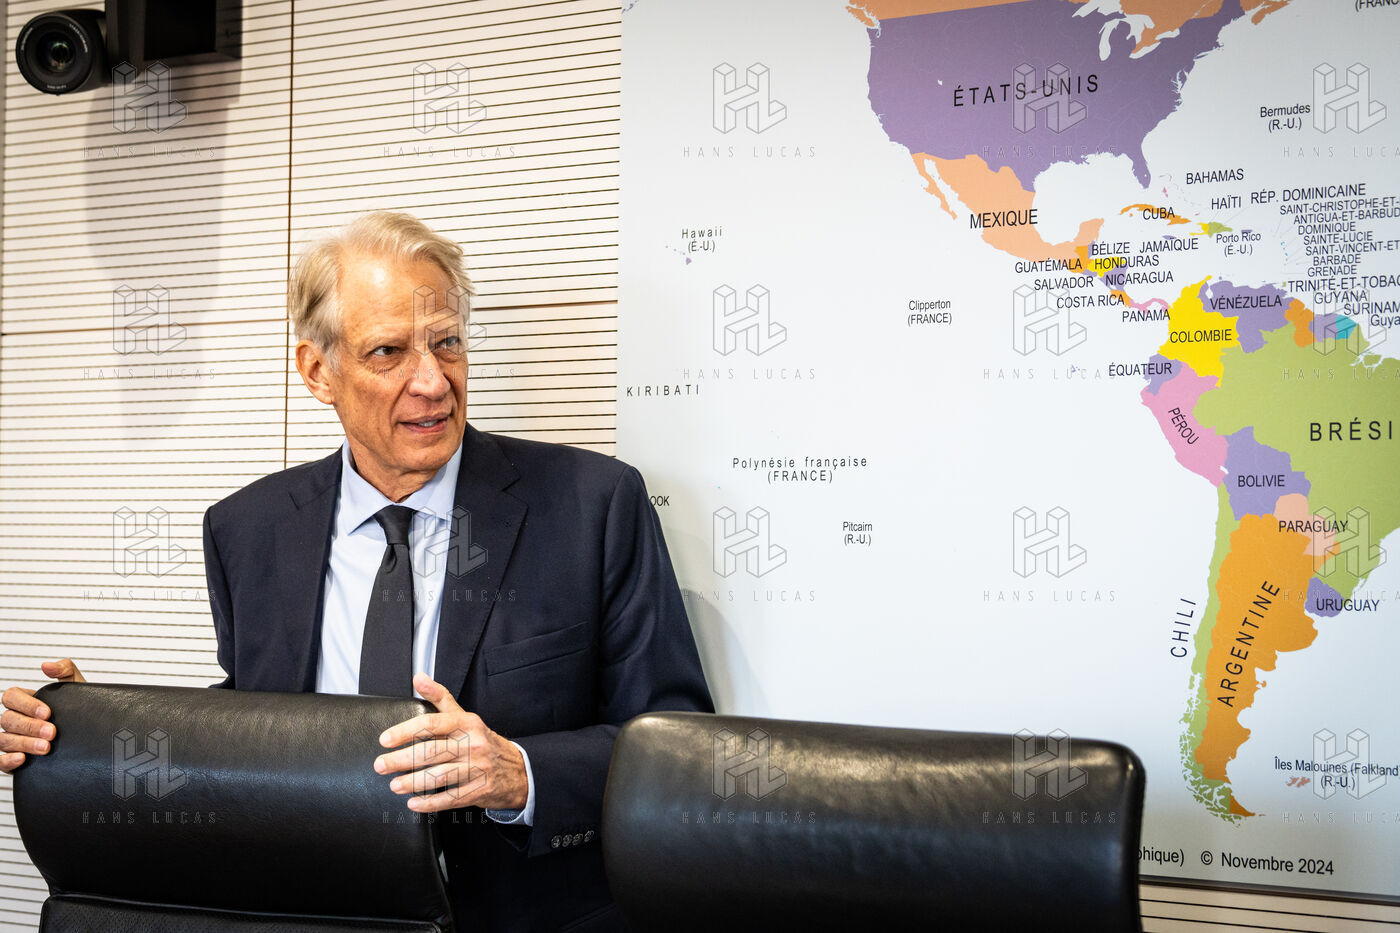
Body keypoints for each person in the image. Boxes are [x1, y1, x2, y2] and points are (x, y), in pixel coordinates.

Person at [0, 211, 713, 931]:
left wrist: (519, 772)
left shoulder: (594, 505)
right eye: (388, 352)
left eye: (447, 342)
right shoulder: (247, 529)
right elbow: (257, 723)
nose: (432, 381)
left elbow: (676, 746)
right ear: (318, 371)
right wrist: (93, 732)